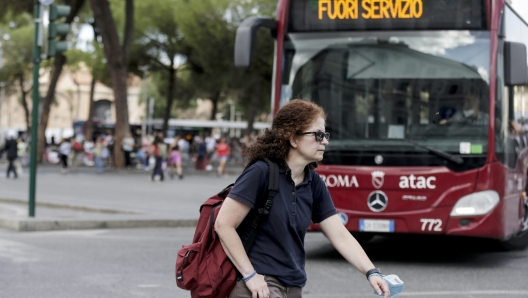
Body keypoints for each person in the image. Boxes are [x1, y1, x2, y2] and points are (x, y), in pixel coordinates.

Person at [215, 99, 390, 298]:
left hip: (293, 286)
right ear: (293, 139)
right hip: (259, 286)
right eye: (318, 135)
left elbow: (339, 235)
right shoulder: (261, 172)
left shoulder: (313, 182)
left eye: (325, 135)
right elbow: (223, 225)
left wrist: (371, 272)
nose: (325, 141)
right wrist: (250, 275)